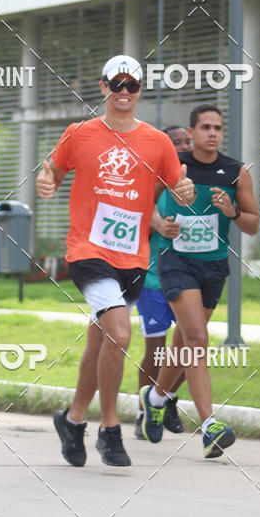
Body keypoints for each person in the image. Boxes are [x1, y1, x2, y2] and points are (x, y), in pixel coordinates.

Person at [36, 55, 195, 467]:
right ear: (104, 86)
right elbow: (51, 170)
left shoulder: (158, 142)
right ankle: (109, 429)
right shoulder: (80, 134)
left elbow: (177, 183)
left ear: (140, 90)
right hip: (88, 252)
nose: (125, 92)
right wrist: (45, 180)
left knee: (100, 339)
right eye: (117, 83)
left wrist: (185, 192)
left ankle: (71, 420)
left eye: (133, 85)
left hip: (133, 257)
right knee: (121, 335)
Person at [140, 104, 260, 458]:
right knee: (197, 337)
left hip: (213, 266)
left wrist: (232, 212)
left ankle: (157, 396)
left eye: (218, 128)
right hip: (175, 261)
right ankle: (209, 425)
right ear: (190, 133)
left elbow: (253, 222)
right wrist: (161, 225)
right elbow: (141, 204)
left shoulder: (236, 171)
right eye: (205, 127)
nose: (213, 133)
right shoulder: (172, 166)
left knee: (184, 341)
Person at [134, 126, 191, 439]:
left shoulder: (197, 184)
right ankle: (145, 416)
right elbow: (139, 223)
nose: (182, 146)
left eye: (186, 141)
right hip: (154, 278)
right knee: (156, 350)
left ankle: (163, 397)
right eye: (175, 142)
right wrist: (157, 224)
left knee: (191, 347)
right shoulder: (152, 183)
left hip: (190, 278)